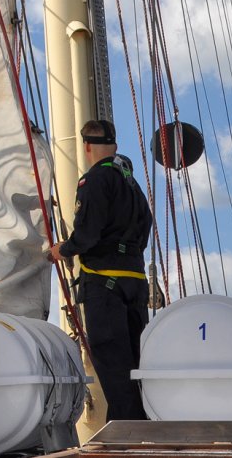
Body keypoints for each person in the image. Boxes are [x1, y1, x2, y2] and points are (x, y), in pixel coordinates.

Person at [46, 119, 153, 421]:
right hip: (134, 281)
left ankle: (125, 434)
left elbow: (88, 234)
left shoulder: (93, 180)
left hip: (104, 285)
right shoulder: (132, 184)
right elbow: (145, 229)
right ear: (115, 145)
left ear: (87, 147)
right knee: (136, 363)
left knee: (113, 361)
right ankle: (142, 426)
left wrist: (63, 250)